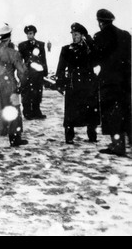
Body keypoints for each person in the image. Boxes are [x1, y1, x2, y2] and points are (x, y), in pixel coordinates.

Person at [0, 24, 29, 153]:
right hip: (9, 86)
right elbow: (22, 72)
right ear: (9, 38)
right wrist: (22, 84)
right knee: (13, 112)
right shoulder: (13, 53)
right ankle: (15, 139)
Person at [91, 9, 131, 157]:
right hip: (126, 80)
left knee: (111, 113)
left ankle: (117, 145)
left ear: (100, 22)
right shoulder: (126, 34)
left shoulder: (100, 36)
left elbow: (95, 59)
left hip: (109, 80)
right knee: (126, 111)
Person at [56, 23, 100, 144]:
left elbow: (97, 60)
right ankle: (69, 136)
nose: (74, 37)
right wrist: (59, 82)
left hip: (88, 84)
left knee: (91, 111)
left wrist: (90, 43)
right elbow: (61, 68)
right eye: (73, 35)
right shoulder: (66, 49)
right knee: (70, 112)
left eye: (76, 35)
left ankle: (92, 134)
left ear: (82, 36)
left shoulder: (89, 49)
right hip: (73, 84)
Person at [18, 25, 49, 120]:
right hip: (27, 73)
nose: (29, 35)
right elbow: (19, 60)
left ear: (34, 34)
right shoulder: (22, 45)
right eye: (27, 34)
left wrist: (45, 71)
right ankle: (27, 112)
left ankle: (37, 111)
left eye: (31, 33)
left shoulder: (41, 44)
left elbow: (43, 59)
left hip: (38, 72)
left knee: (37, 92)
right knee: (27, 93)